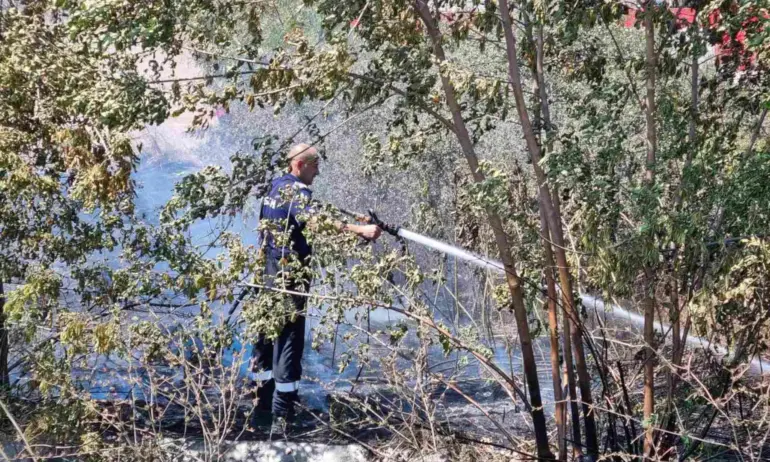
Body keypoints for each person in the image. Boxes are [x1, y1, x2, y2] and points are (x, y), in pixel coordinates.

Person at [250, 143, 381, 436]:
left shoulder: (275, 187)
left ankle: (260, 413)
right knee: (288, 342)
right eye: (315, 166)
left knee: (265, 339)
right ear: (300, 165)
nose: (318, 172)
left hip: (266, 273)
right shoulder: (298, 191)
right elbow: (316, 222)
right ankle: (283, 419)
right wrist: (360, 231)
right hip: (290, 277)